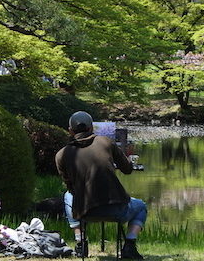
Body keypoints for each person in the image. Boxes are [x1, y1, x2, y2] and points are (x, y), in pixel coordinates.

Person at [56, 111, 147, 259]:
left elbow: (70, 186)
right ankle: (129, 245)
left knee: (68, 196)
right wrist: (127, 160)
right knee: (141, 206)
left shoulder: (61, 154)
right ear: (92, 128)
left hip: (84, 213)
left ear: (70, 130)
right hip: (117, 210)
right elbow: (127, 169)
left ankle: (80, 243)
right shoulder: (106, 142)